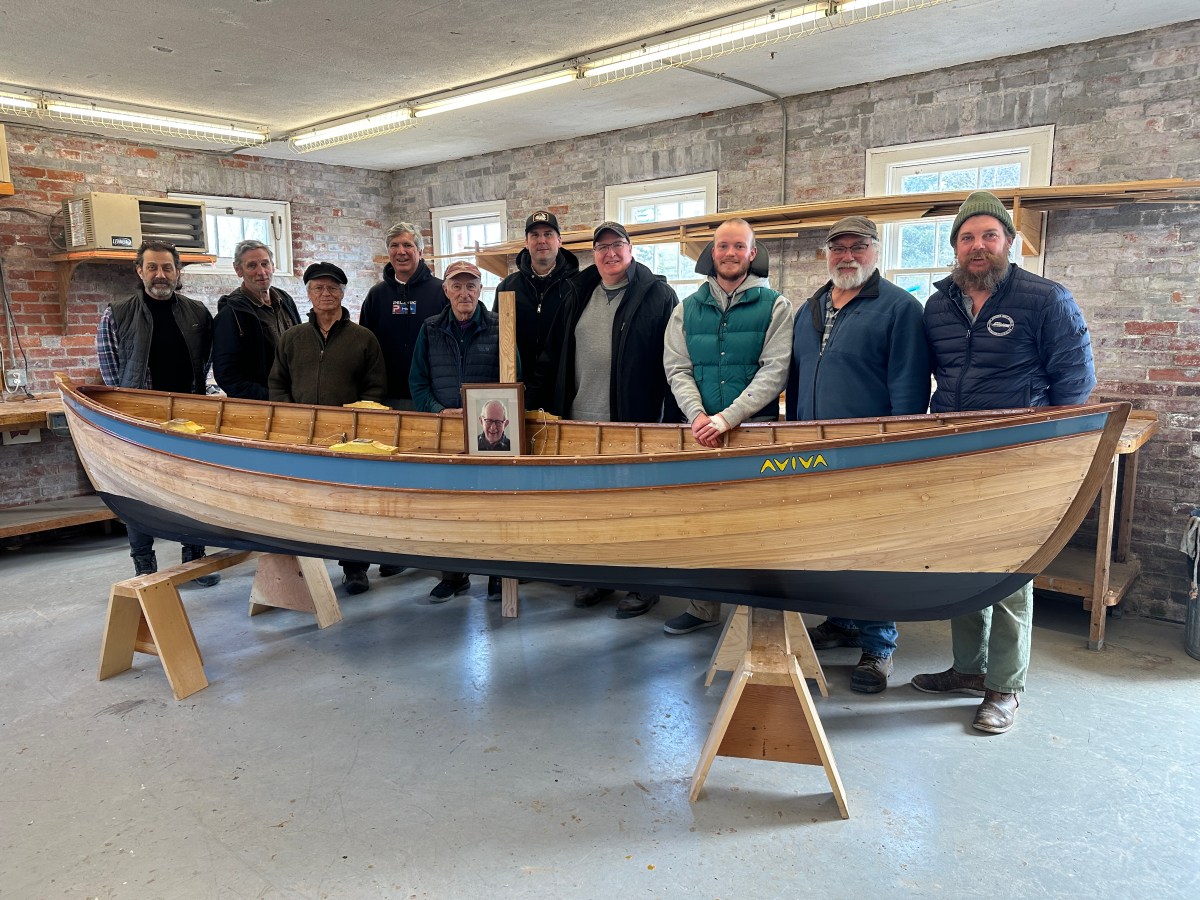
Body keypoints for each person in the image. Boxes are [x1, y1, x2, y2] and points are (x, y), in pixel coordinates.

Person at [913, 191, 1096, 733]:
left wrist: (1045, 450)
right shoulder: (938, 306)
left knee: (1012, 576)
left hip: (1018, 461)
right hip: (953, 456)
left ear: (1009, 243)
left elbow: (1075, 385)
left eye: (989, 235)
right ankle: (969, 669)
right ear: (955, 247)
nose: (978, 246)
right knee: (962, 568)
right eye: (968, 237)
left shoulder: (1046, 300)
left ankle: (1005, 688)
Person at [787, 216, 931, 693]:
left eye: (858, 246)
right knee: (827, 541)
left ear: (876, 251)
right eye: (838, 248)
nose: (847, 256)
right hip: (814, 452)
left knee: (871, 550)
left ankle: (878, 645)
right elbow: (797, 378)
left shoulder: (899, 308)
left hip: (868, 455)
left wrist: (895, 452)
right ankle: (843, 621)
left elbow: (908, 388)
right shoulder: (811, 307)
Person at [540, 220, 681, 618]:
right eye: (602, 247)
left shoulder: (658, 295)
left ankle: (644, 584)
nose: (610, 253)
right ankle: (597, 576)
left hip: (632, 421)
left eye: (617, 245)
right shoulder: (577, 292)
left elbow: (674, 363)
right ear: (594, 254)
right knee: (591, 506)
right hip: (581, 422)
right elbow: (554, 354)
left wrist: (668, 421)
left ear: (630, 249)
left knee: (637, 507)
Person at [661, 218, 793, 636]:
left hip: (754, 432)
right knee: (702, 522)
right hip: (700, 433)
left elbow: (775, 371)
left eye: (739, 246)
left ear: (752, 253)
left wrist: (726, 418)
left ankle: (758, 612)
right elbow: (678, 368)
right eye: (723, 246)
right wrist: (697, 415)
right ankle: (703, 607)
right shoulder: (686, 309)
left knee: (756, 526)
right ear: (712, 253)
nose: (730, 253)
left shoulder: (776, 306)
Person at [96, 239, 220, 586]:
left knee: (189, 489)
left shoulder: (197, 313)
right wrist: (127, 411)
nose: (160, 274)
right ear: (140, 271)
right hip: (138, 420)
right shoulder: (116, 314)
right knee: (137, 492)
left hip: (188, 418)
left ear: (178, 271)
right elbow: (110, 372)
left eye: (167, 267)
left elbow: (206, 363)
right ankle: (144, 566)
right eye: (152, 267)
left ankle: (194, 559)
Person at [268, 261, 388, 595]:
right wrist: (293, 419)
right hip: (302, 436)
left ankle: (355, 568)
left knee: (351, 504)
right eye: (318, 288)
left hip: (349, 438)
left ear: (342, 293)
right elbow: (277, 384)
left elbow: (375, 388)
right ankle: (306, 568)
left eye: (332, 288)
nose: (326, 294)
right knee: (304, 502)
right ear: (308, 294)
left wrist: (356, 422)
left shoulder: (363, 339)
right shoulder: (292, 338)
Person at [410, 260, 519, 602]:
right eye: (456, 286)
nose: (464, 293)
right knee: (450, 507)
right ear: (445, 290)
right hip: (445, 431)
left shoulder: (500, 326)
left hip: (490, 435)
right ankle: (454, 575)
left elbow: (514, 380)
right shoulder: (430, 329)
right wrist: (438, 411)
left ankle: (498, 575)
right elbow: (417, 382)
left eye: (471, 285)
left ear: (480, 289)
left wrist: (488, 417)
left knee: (495, 506)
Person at [493, 209, 578, 408]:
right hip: (519, 393)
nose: (541, 240)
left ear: (559, 241)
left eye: (548, 234)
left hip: (564, 392)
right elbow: (496, 339)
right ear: (526, 242)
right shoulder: (507, 288)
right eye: (535, 235)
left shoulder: (577, 287)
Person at [359, 222, 445, 409]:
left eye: (407, 245)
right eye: (394, 246)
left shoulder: (441, 291)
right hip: (387, 395)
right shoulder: (376, 295)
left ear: (420, 252)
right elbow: (365, 345)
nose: (401, 252)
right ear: (388, 252)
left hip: (433, 397)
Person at [211, 239, 300, 400]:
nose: (261, 271)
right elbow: (227, 376)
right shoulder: (231, 313)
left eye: (265, 264)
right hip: (259, 405)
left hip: (293, 399)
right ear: (238, 270)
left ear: (273, 266)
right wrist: (271, 397)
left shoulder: (285, 300)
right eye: (252, 266)